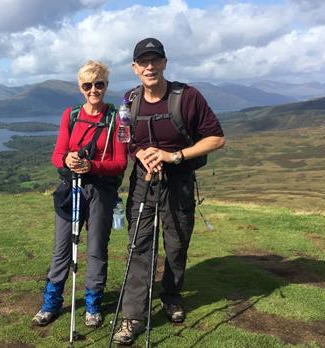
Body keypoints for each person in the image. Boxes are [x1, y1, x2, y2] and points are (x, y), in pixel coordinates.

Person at [112, 38, 226, 345]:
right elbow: (125, 136)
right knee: (139, 245)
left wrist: (173, 156)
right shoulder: (129, 99)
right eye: (143, 62)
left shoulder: (187, 97)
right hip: (143, 181)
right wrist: (141, 154)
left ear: (164, 63)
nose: (150, 67)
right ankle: (134, 316)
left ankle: (172, 296)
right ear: (135, 68)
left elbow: (216, 138)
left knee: (176, 243)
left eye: (155, 60)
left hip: (179, 180)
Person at [32, 60, 128, 328]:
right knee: (62, 249)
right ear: (80, 87)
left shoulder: (116, 118)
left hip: (101, 191)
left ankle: (93, 305)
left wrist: (92, 165)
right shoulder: (71, 115)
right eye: (88, 85)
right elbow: (56, 156)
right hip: (71, 188)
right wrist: (69, 160)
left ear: (106, 86)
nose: (94, 90)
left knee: (96, 248)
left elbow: (121, 163)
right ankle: (51, 303)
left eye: (99, 84)